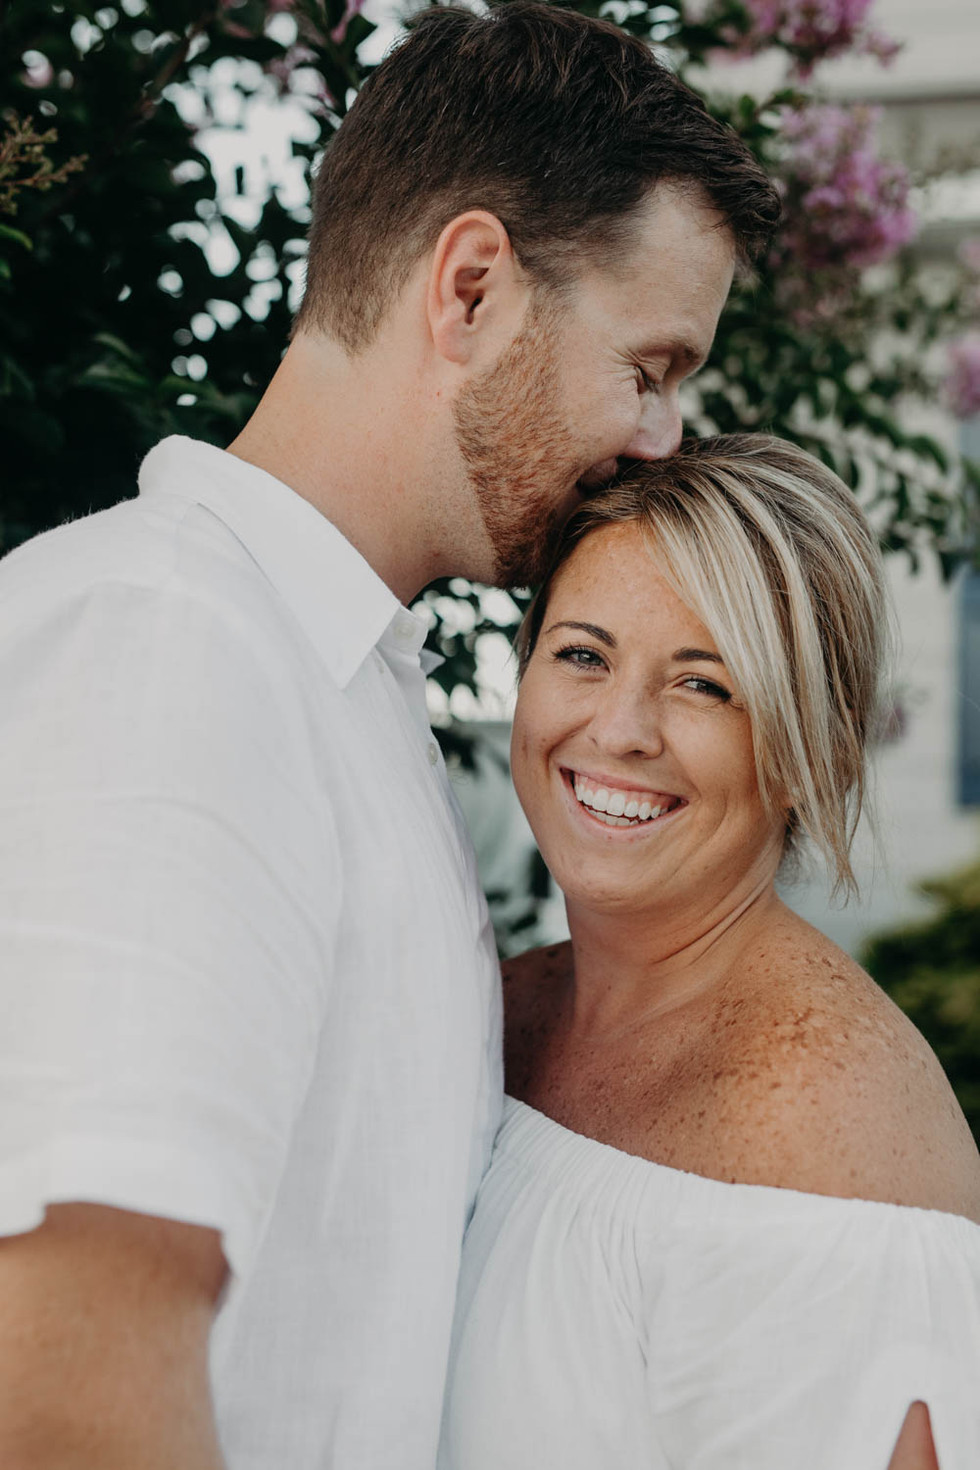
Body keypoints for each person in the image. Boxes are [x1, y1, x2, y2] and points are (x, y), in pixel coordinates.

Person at [0, 6, 780, 1469]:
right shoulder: (170, 647)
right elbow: (63, 1382)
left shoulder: (327, 679)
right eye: (650, 366)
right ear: (471, 287)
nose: (664, 437)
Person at [439, 434, 980, 1470]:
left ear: (811, 751)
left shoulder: (825, 1140)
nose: (620, 730)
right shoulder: (491, 1004)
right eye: (583, 655)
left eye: (704, 685)